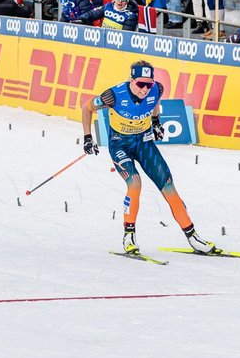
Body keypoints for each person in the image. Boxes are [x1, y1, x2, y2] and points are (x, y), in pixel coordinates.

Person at [80, 60, 218, 256]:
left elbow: (155, 102)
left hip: (144, 143)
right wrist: (87, 138)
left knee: (169, 187)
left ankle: (193, 237)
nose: (145, 89)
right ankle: (129, 236)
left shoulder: (156, 90)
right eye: (140, 84)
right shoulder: (113, 95)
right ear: (131, 80)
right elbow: (86, 108)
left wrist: (155, 122)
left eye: (148, 84)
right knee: (134, 184)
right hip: (120, 144)